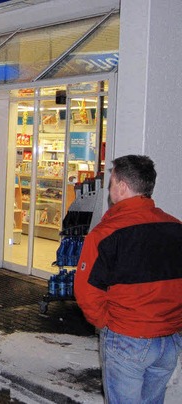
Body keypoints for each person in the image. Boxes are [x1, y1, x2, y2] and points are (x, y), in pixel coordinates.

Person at [74, 155, 182, 404]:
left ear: (122, 186)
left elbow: (86, 291)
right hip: (168, 342)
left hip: (128, 338)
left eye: (111, 182)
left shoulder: (105, 234)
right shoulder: (176, 228)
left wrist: (108, 323)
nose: (110, 190)